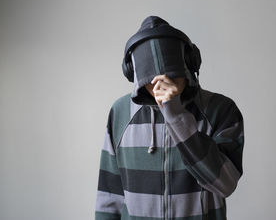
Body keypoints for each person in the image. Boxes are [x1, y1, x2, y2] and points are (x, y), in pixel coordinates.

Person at [95, 16, 244, 220]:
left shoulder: (221, 110)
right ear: (135, 73)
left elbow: (225, 184)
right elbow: (109, 197)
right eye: (152, 78)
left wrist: (177, 116)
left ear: (190, 63)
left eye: (173, 74)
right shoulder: (121, 112)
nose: (163, 82)